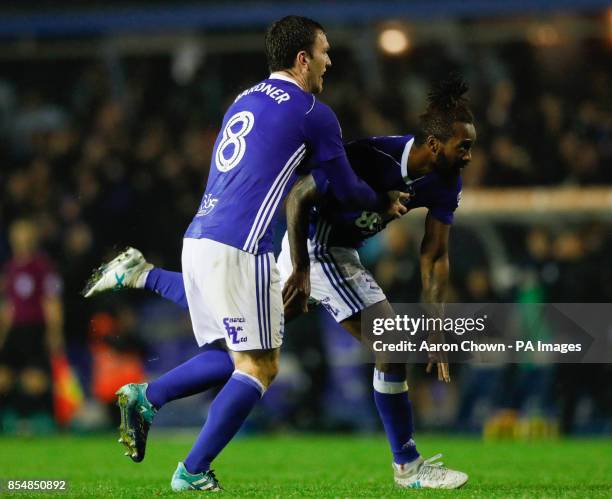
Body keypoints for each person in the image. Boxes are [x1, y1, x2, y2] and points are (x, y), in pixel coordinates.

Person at [85, 75, 475, 489]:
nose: (469, 156)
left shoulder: (446, 181)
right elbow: (299, 197)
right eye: (463, 146)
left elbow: (434, 255)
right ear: (434, 145)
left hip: (333, 255)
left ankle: (148, 379)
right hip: (315, 251)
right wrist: (303, 269)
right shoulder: (370, 155)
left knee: (240, 352)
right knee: (387, 344)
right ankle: (409, 468)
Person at [0, 219, 64, 433]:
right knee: (3, 378)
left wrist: (54, 332)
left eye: (26, 237)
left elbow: (51, 300)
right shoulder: (10, 268)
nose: (22, 241)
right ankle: (12, 421)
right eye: (18, 237)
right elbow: (9, 306)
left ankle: (46, 421)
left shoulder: (42, 266)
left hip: (36, 329)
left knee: (35, 380)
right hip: (16, 331)